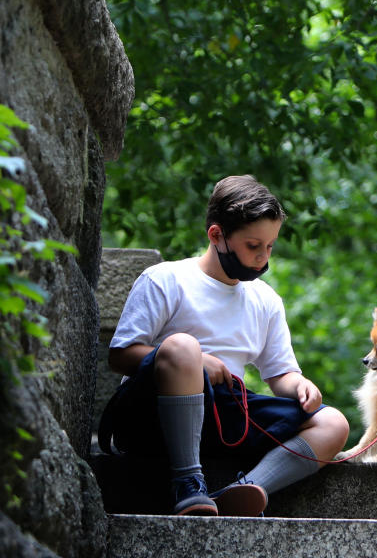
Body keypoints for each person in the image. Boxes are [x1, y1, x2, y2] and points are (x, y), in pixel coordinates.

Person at [98, 175, 350, 515]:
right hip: (152, 415)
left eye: (270, 246)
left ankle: (247, 489)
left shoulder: (266, 300)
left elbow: (280, 375)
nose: (263, 257)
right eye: (253, 245)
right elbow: (120, 355)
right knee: (184, 347)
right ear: (216, 235)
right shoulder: (166, 279)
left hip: (224, 417)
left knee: (333, 422)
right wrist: (197, 360)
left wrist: (301, 386)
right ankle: (188, 483)